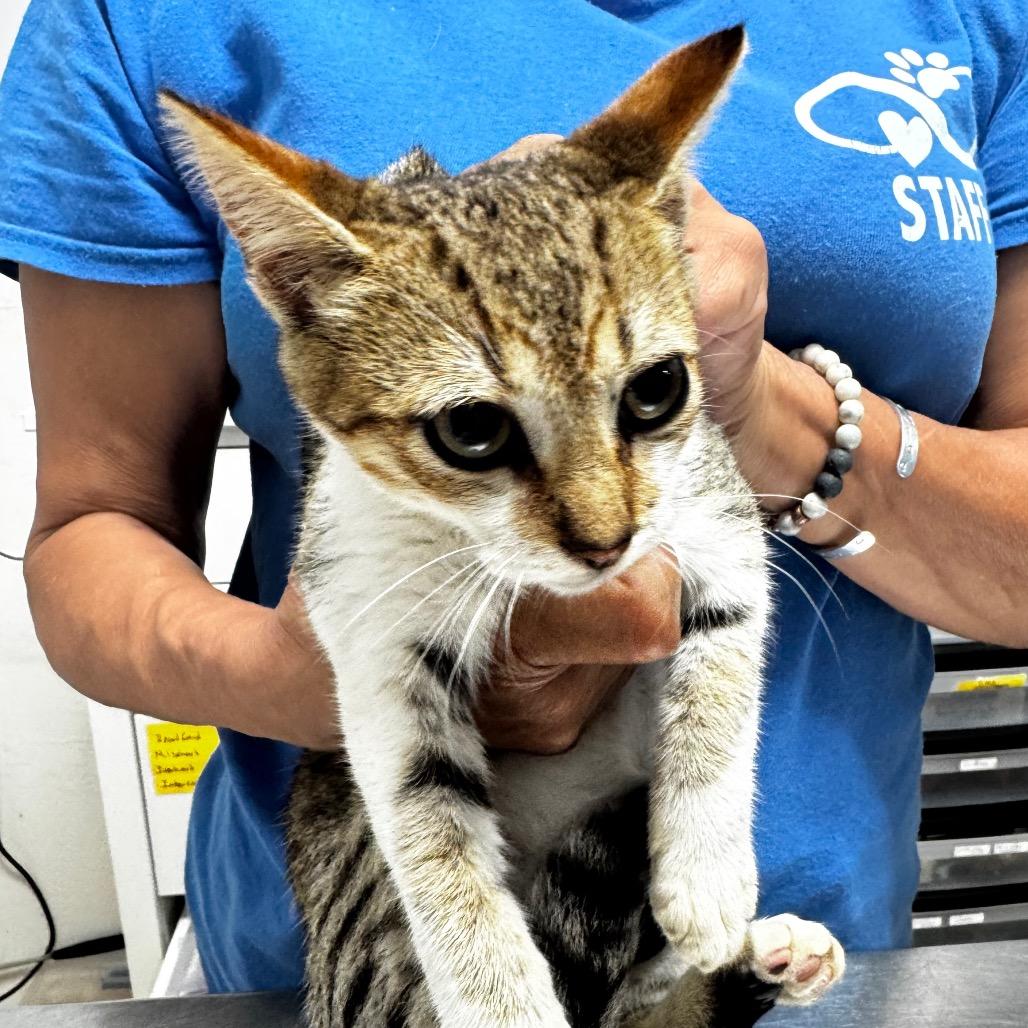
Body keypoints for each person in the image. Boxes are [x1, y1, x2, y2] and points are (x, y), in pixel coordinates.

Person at [2, 0, 1026, 996]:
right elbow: (95, 520)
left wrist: (756, 400)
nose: (597, 528)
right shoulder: (134, 16)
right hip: (362, 941)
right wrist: (305, 677)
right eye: (474, 428)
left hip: (807, 937)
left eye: (652, 392)